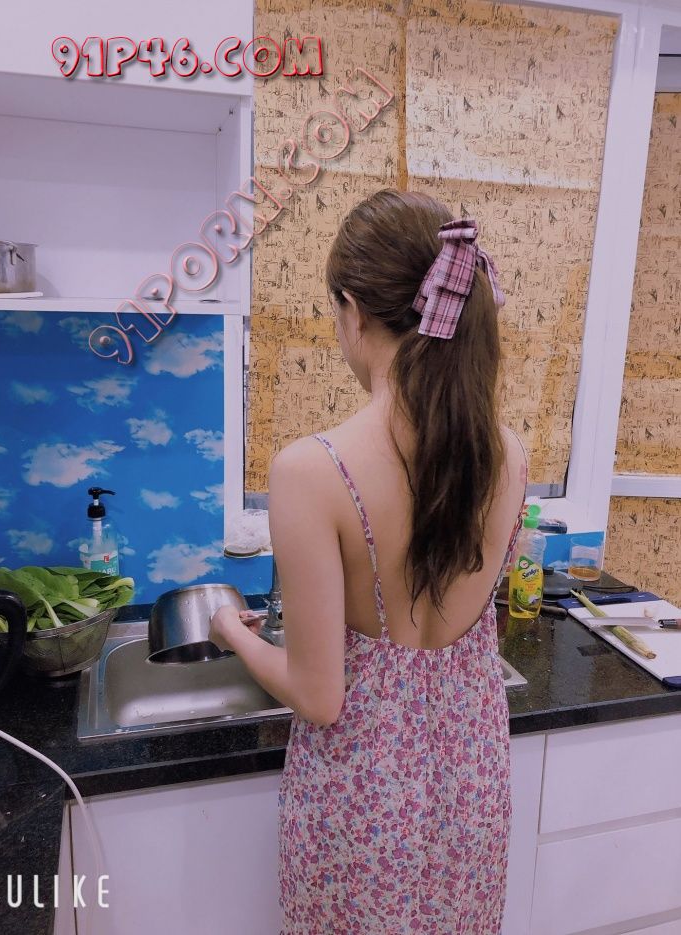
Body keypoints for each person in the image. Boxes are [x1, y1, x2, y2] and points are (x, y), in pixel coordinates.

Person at [210, 188, 528, 934]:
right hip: (469, 795)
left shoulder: (311, 470)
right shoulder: (507, 454)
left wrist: (231, 631)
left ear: (353, 311)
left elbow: (320, 696)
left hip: (363, 808)